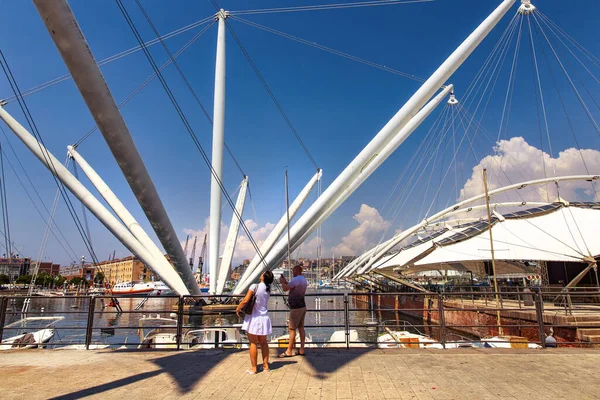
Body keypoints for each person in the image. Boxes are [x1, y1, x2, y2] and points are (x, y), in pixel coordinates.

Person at [236, 270, 274, 374]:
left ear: (263, 277)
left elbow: (245, 300)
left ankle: (254, 368)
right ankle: (266, 366)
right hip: (264, 317)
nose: (260, 274)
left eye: (262, 273)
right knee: (264, 343)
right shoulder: (268, 289)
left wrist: (238, 308)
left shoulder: (254, 286)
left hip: (254, 318)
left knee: (253, 343)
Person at [278, 265, 308, 357]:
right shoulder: (303, 280)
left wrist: (282, 282)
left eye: (293, 271)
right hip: (302, 306)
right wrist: (286, 282)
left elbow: (285, 289)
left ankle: (289, 351)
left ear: (297, 271)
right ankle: (301, 350)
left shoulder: (296, 280)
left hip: (295, 308)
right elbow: (291, 286)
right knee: (301, 327)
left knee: (292, 329)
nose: (292, 272)